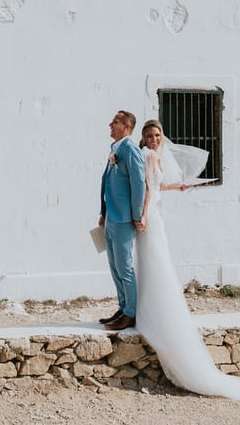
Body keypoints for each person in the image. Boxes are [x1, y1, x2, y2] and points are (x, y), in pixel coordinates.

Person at [136, 119, 240, 406]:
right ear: (143, 138)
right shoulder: (147, 155)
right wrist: (149, 209)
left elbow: (151, 189)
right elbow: (148, 190)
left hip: (152, 217)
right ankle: (151, 307)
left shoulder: (151, 156)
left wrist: (170, 191)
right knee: (155, 263)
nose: (154, 139)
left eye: (157, 135)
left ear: (161, 136)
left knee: (154, 263)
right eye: (149, 135)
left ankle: (149, 308)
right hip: (152, 217)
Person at [98, 110, 147, 331]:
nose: (110, 124)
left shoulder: (131, 150)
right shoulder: (115, 149)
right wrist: (103, 212)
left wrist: (137, 215)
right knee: (114, 266)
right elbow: (107, 182)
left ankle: (130, 314)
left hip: (125, 218)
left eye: (115, 122)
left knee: (124, 266)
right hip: (110, 216)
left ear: (126, 127)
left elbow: (138, 184)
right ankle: (122, 306)